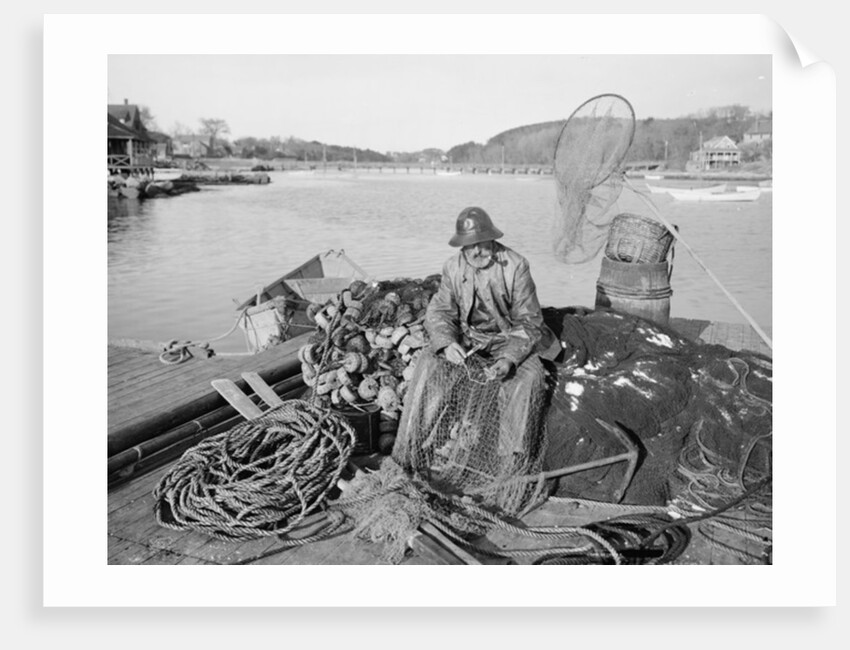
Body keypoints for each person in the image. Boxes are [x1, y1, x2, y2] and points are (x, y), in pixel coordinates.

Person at [393, 206, 560, 491]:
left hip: (510, 338)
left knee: (528, 379)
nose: (476, 251)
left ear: (492, 239)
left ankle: (510, 466)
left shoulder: (516, 265)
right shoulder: (452, 267)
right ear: (462, 246)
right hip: (469, 340)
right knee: (430, 367)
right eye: (469, 246)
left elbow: (530, 320)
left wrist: (509, 359)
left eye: (481, 243)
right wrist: (447, 344)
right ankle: (407, 454)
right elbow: (439, 313)